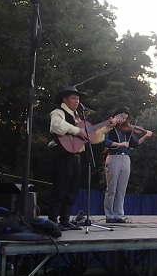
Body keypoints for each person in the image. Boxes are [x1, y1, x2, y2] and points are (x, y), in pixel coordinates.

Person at [48, 85, 118, 231]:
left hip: (75, 156)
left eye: (78, 98)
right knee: (60, 187)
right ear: (65, 99)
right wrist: (77, 130)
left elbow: (92, 137)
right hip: (62, 155)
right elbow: (57, 126)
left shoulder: (79, 116)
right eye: (74, 98)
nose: (77, 101)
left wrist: (108, 126)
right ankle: (52, 219)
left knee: (72, 188)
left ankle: (65, 219)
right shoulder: (58, 112)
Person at [102, 107, 153, 224]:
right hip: (113, 156)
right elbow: (104, 141)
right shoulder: (110, 128)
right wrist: (119, 144)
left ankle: (119, 214)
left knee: (121, 189)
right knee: (111, 188)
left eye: (126, 116)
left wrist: (145, 136)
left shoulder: (128, 130)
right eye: (122, 115)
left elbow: (134, 144)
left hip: (125, 158)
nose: (124, 118)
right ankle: (109, 215)